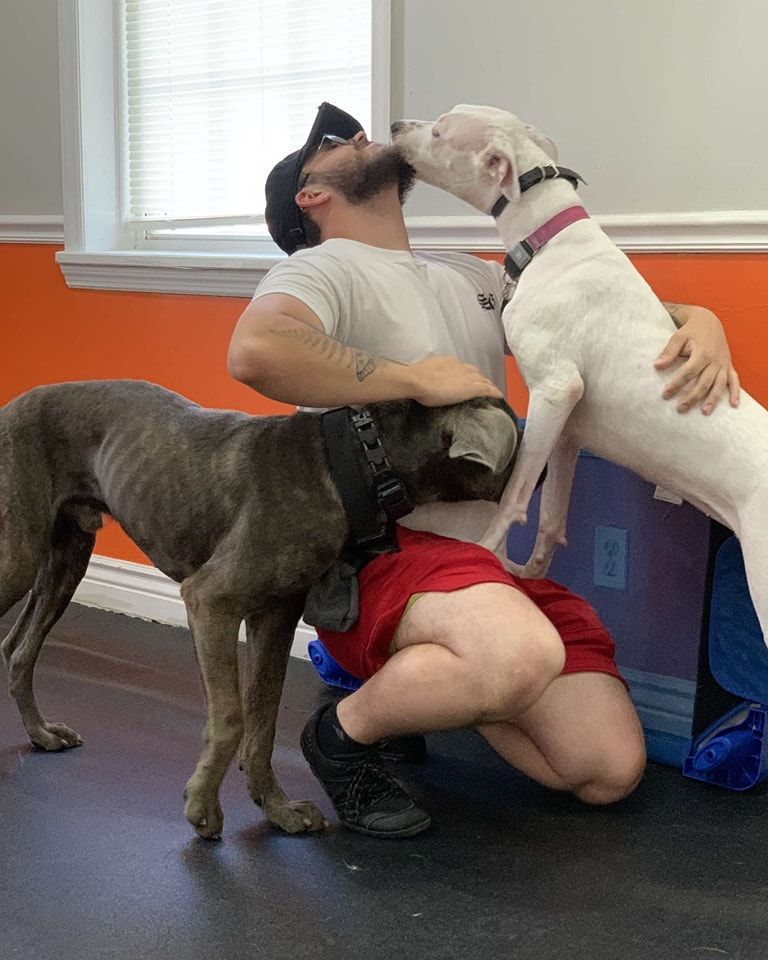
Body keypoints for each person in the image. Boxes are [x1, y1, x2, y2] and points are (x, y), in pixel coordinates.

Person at [228, 103, 741, 838]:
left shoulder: (473, 275)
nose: (364, 136)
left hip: (482, 566)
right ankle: (343, 736)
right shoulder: (319, 268)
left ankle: (444, 680)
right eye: (337, 143)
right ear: (311, 195)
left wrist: (703, 324)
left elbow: (616, 315)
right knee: (521, 653)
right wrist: (412, 378)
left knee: (606, 768)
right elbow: (256, 351)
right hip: (381, 559)